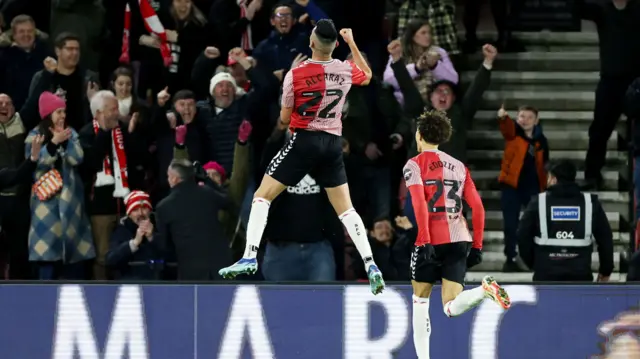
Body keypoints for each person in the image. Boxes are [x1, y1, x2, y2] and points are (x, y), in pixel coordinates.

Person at [218, 19, 385, 294]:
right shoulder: (343, 70)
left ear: (311, 44)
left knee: (262, 196)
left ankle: (249, 255)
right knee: (346, 210)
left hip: (304, 140)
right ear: (334, 46)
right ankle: (371, 264)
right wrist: (352, 42)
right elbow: (366, 75)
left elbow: (284, 118)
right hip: (332, 143)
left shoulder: (295, 75)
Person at [402, 110, 510, 359]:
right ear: (443, 137)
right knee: (450, 307)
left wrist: (424, 239)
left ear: (419, 135)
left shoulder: (414, 165)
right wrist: (478, 246)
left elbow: (419, 203)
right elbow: (478, 207)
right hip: (459, 238)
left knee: (420, 303)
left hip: (430, 240)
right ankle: (484, 290)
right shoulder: (459, 166)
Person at [517, 160, 614, 282]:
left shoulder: (538, 202)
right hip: (580, 276)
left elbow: (522, 235)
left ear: (553, 179)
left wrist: (535, 264)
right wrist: (606, 270)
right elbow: (605, 238)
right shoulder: (590, 203)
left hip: (546, 276)